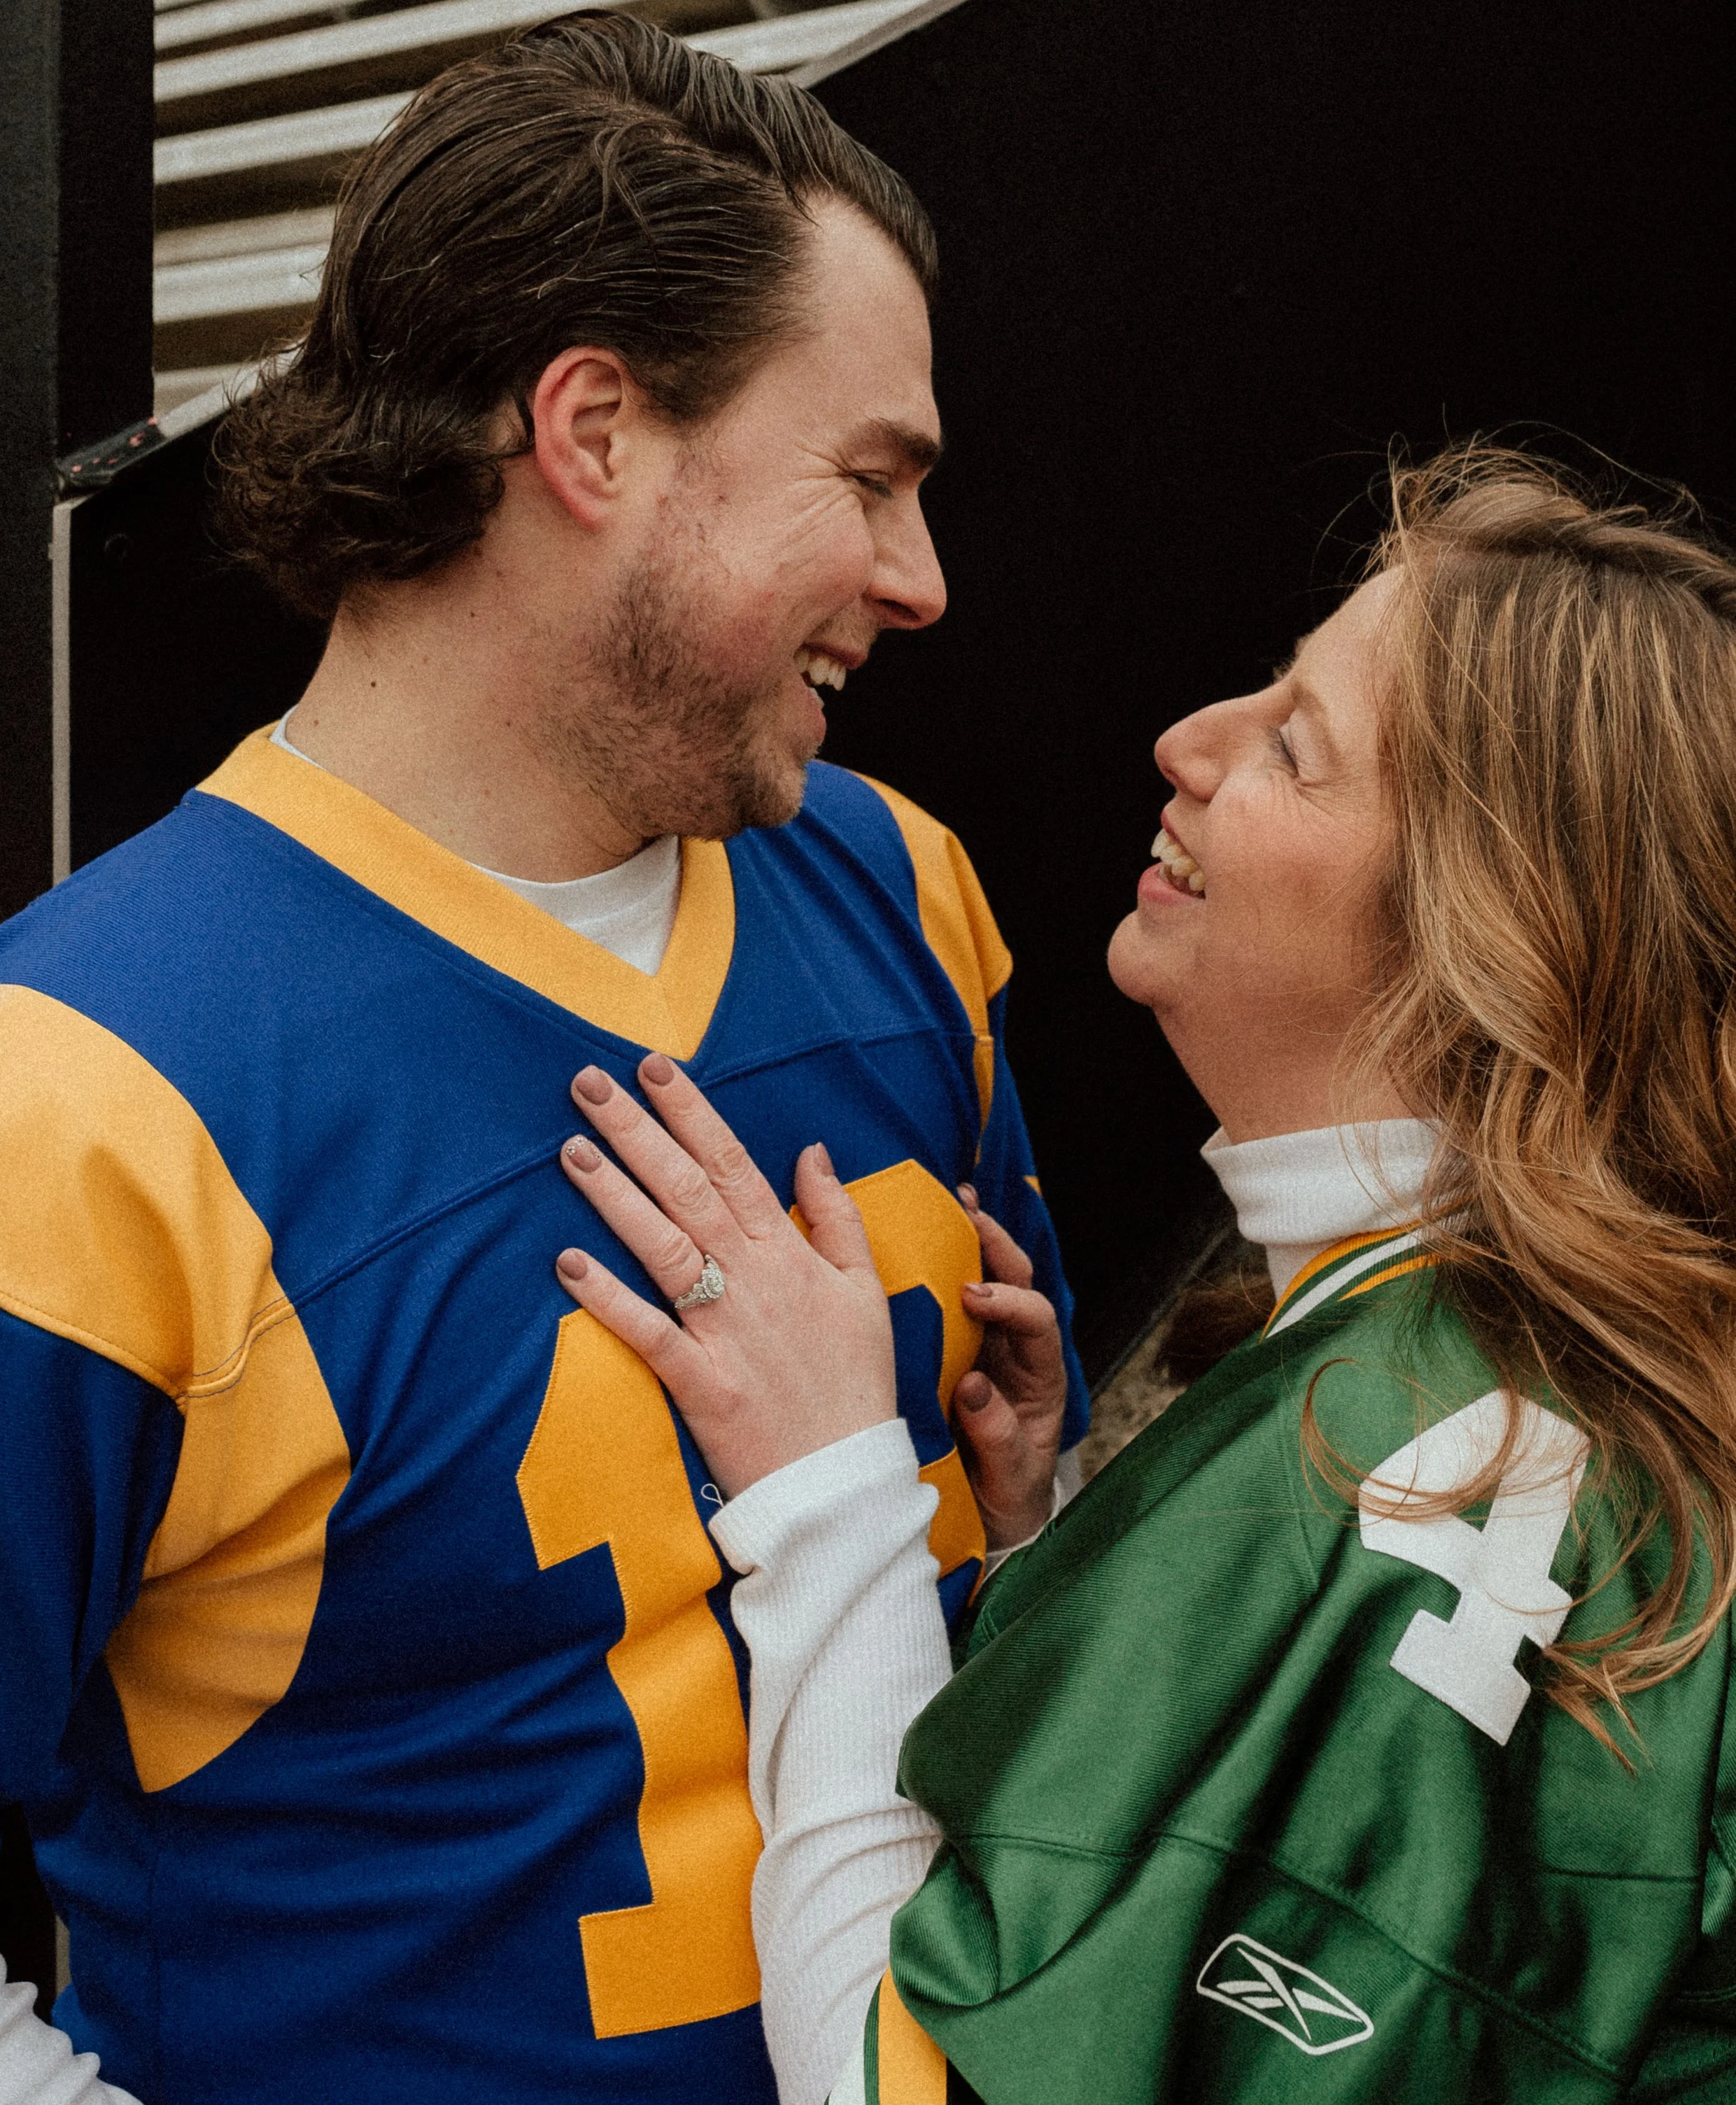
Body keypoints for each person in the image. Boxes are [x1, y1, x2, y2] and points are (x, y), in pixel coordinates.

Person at [0, 14, 1087, 2105]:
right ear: (593, 429)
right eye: (863, 480)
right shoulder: (66, 1095)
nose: (920, 580)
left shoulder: (903, 889)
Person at [556, 445, 1736, 2104]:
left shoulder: (1418, 1465)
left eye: (1292, 745)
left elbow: (910, 2089)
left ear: (1490, 923)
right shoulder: (1490, 1359)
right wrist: (1069, 1565)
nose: (1187, 743)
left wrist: (827, 1498)